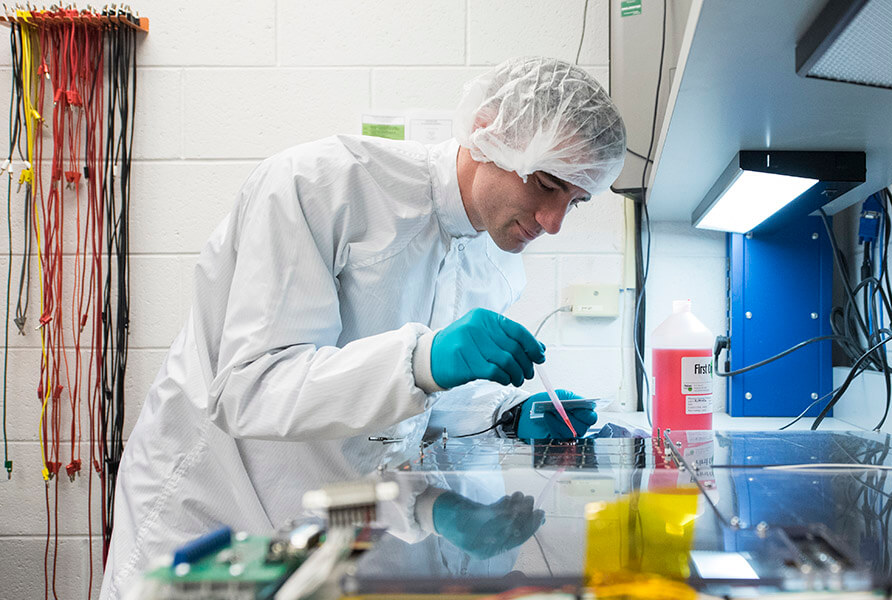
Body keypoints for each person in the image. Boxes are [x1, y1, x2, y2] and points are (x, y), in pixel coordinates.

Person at [100, 56, 625, 598]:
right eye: (545, 184)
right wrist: (423, 359)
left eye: (576, 200)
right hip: (215, 509)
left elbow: (420, 405)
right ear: (491, 132)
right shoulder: (324, 184)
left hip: (332, 521)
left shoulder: (498, 261)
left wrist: (506, 414)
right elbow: (248, 386)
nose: (553, 222)